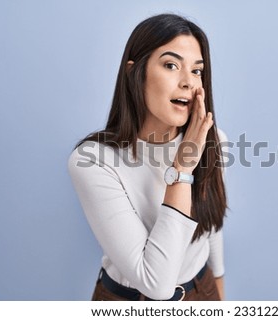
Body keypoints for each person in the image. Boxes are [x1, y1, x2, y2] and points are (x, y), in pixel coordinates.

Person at [68, 13, 227, 301]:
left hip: (202, 290)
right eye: (171, 65)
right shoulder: (93, 161)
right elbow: (156, 284)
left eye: (196, 71)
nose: (188, 83)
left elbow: (210, 225)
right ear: (134, 72)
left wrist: (218, 283)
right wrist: (182, 169)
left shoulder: (213, 140)